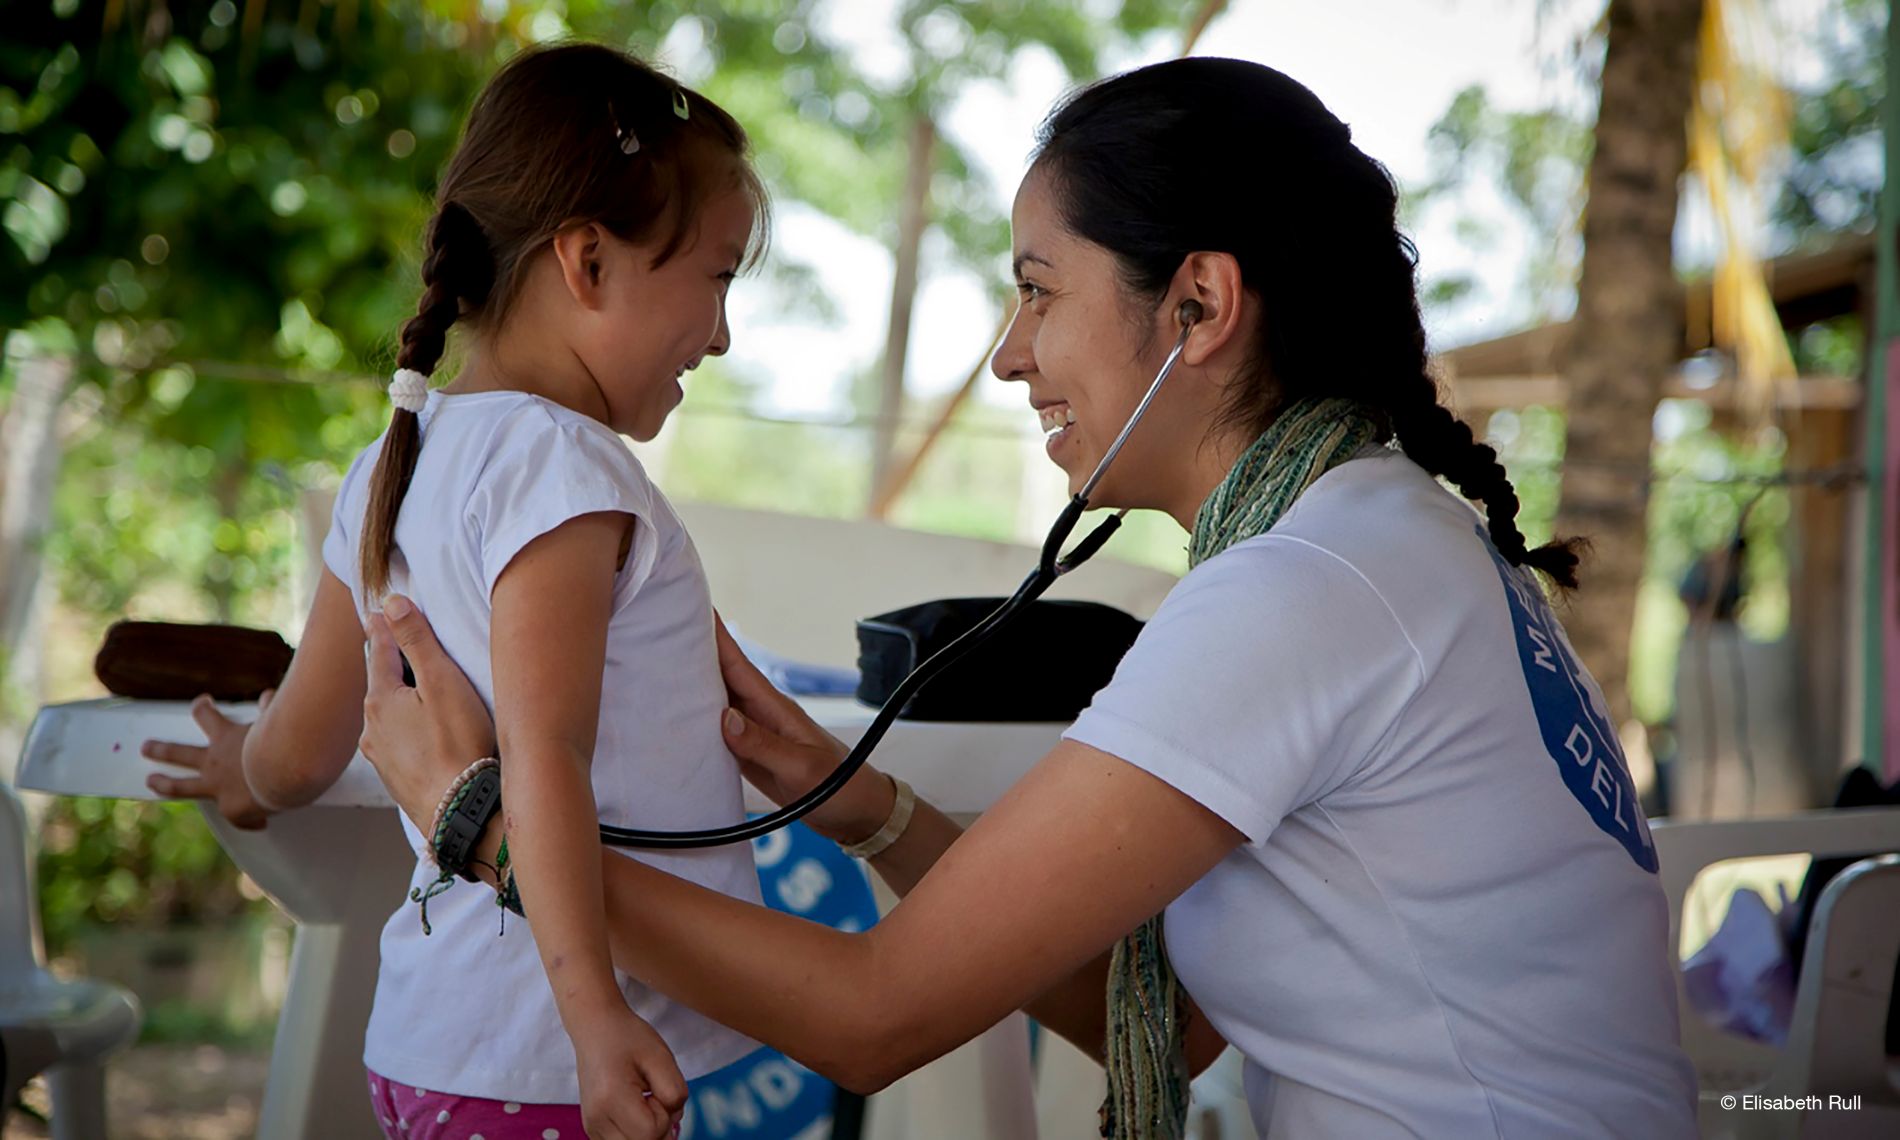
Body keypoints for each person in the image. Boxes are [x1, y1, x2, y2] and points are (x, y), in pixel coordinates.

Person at [175, 56, 1702, 1138]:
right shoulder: (1380, 545)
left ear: (1201, 307)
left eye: (1037, 289)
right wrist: (878, 816)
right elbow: (1181, 1024)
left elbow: (871, 1018)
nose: (1006, 353)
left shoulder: (1303, 594)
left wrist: (482, 829)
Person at [143, 42, 771, 1140]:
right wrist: (593, 1020)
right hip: (548, 1057)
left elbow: (297, 752)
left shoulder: (400, 456)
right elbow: (545, 758)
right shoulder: (563, 469)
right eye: (715, 278)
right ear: (586, 261)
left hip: (432, 1044)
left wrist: (238, 775)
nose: (721, 333)